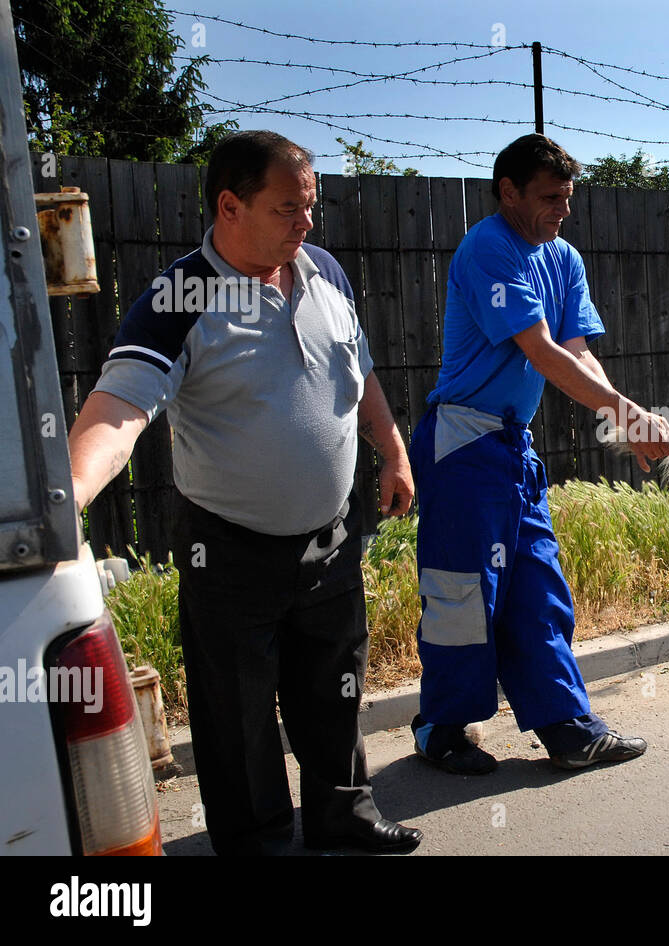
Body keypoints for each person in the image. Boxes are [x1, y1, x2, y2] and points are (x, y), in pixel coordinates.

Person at [66, 130, 423, 855]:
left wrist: (393, 450)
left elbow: (360, 375)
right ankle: (258, 843)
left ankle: (342, 812)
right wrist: (65, 493)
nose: (308, 222)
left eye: (311, 205)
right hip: (228, 550)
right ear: (230, 206)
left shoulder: (322, 271)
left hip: (329, 535)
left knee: (336, 685)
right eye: (289, 207)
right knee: (237, 710)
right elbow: (120, 409)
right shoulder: (177, 298)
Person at [409, 134, 669, 773]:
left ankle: (566, 727)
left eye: (568, 197)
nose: (563, 209)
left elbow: (578, 350)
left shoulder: (564, 257)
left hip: (511, 448)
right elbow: (542, 351)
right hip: (462, 444)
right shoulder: (488, 248)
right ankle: (440, 730)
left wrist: (625, 419)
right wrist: (625, 415)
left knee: (537, 587)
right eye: (550, 197)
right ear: (509, 192)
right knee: (462, 595)